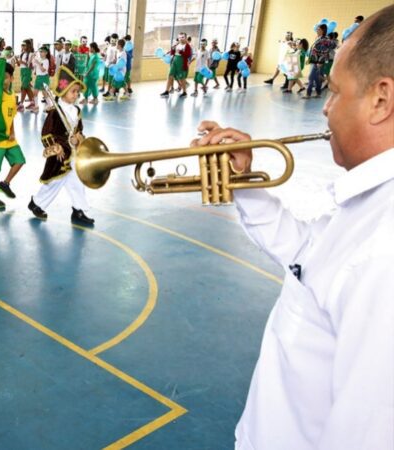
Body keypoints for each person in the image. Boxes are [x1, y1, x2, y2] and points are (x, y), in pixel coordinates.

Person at [194, 7, 394, 448]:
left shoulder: (385, 249)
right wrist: (242, 183)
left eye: (336, 92)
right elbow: (308, 256)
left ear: (382, 100)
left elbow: (365, 435)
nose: (324, 108)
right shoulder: (370, 203)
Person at [27, 68, 94, 226]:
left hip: (74, 154)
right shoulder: (55, 112)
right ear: (63, 92)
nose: (76, 95)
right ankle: (37, 203)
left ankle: (78, 211)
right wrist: (56, 146)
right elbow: (46, 133)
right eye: (73, 91)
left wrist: (79, 138)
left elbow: (79, 130)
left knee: (77, 182)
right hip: (61, 155)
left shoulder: (76, 111)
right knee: (55, 182)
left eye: (77, 92)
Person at [0, 63, 25, 211]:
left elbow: (12, 116)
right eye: (0, 78)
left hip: (9, 138)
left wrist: (12, 131)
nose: (3, 80)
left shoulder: (11, 96)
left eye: (6, 77)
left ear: (11, 78)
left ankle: (5, 183)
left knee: (20, 160)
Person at [305, 24, 337, 99]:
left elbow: (324, 51)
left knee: (311, 77)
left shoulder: (324, 39)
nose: (317, 30)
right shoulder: (318, 38)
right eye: (317, 29)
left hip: (319, 62)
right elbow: (314, 50)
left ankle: (308, 94)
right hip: (315, 60)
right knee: (316, 78)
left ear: (323, 30)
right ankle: (318, 93)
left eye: (318, 29)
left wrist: (320, 62)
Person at [161, 32, 192, 97]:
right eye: (179, 37)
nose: (181, 39)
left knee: (181, 78)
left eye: (182, 37)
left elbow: (188, 55)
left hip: (181, 62)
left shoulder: (187, 46)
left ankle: (184, 92)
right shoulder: (177, 44)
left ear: (186, 38)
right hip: (174, 61)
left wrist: (181, 52)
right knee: (170, 76)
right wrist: (172, 49)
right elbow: (172, 53)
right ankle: (166, 91)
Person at [17, 40, 37, 112]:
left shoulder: (31, 54)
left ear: (28, 46)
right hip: (22, 71)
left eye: (24, 45)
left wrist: (22, 62)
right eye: (22, 45)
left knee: (23, 87)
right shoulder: (22, 54)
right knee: (27, 87)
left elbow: (31, 66)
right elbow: (20, 64)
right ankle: (32, 103)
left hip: (27, 71)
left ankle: (21, 104)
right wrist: (18, 61)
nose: (22, 46)